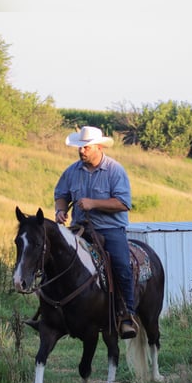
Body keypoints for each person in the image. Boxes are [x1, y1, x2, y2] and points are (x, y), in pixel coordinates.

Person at [54, 126, 137, 339]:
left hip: (110, 229)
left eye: (86, 148)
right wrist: (61, 210)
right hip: (79, 228)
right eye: (80, 148)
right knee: (55, 258)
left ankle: (126, 314)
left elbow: (123, 203)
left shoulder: (115, 170)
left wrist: (93, 203)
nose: (82, 151)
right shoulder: (72, 171)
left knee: (121, 266)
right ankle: (52, 313)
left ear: (98, 147)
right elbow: (61, 194)